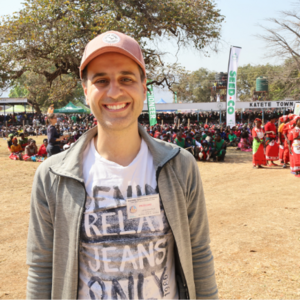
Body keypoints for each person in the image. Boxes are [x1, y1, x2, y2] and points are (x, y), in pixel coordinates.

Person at [26, 31, 218, 299]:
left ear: (143, 86)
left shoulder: (180, 166)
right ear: (85, 90)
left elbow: (198, 254)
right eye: (101, 80)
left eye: (126, 79)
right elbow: (42, 267)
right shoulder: (52, 176)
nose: (114, 92)